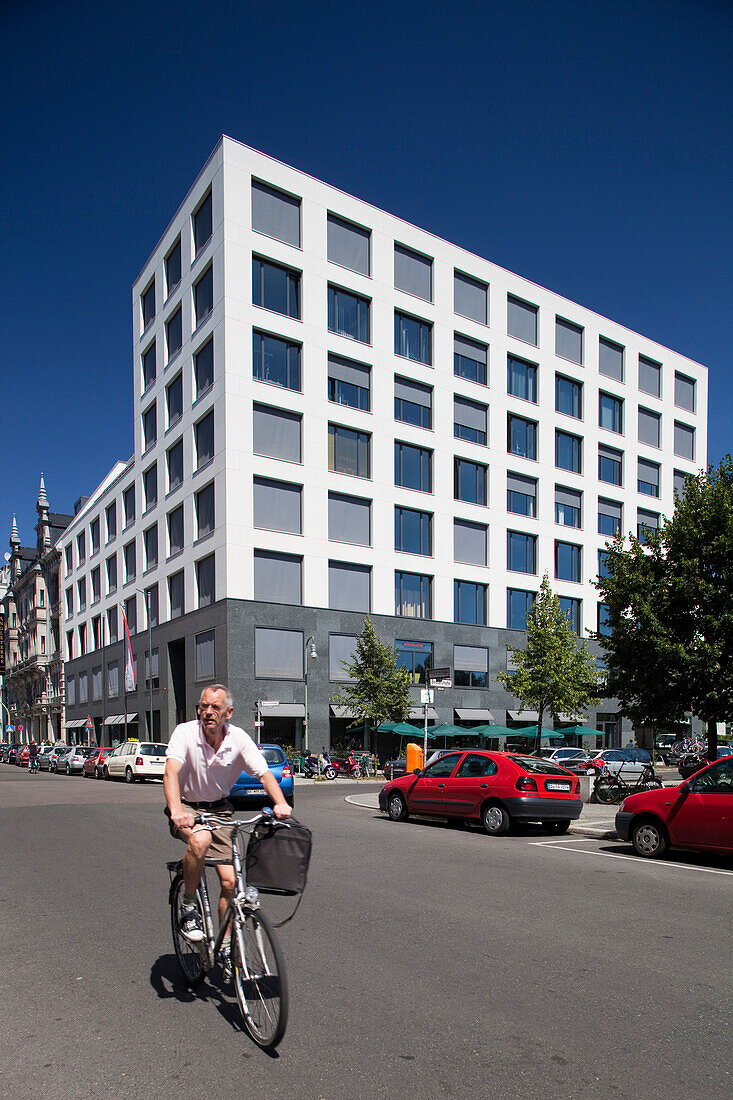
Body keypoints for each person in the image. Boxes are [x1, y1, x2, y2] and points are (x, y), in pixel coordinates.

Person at [163, 683, 292, 975]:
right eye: (203, 706)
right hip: (187, 807)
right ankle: (188, 907)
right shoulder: (185, 733)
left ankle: (223, 945)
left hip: (220, 808)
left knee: (232, 883)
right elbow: (171, 773)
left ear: (228, 713)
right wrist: (176, 811)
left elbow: (263, 774)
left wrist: (281, 804)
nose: (207, 712)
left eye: (215, 708)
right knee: (200, 841)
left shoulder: (239, 739)